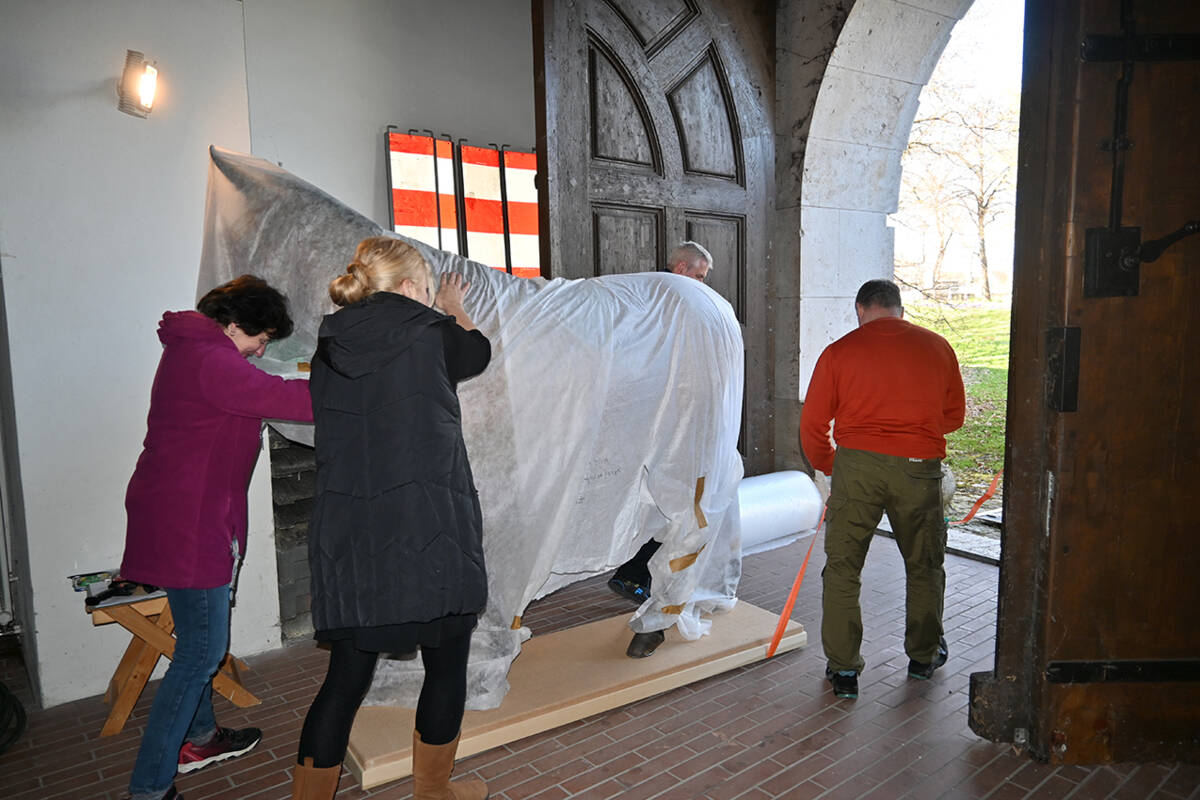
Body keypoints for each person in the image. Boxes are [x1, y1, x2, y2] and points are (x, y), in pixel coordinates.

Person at [291, 237, 490, 800]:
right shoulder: (434, 333)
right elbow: (479, 351)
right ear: (408, 287)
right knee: (446, 667)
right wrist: (452, 304)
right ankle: (432, 792)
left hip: (352, 534)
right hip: (429, 530)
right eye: (424, 285)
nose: (427, 296)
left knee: (344, 681)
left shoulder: (328, 345)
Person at [120, 275, 314, 800]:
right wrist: (362, 389)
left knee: (194, 644)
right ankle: (150, 789)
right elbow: (289, 401)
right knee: (201, 655)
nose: (261, 348)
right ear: (233, 328)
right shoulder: (212, 360)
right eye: (261, 338)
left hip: (178, 514)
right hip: (191, 523)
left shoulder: (198, 350)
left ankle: (201, 738)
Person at [800, 279, 965, 700]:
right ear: (900, 309)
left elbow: (812, 425)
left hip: (857, 466)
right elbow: (954, 417)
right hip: (918, 468)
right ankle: (924, 657)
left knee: (842, 569)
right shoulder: (937, 347)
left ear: (860, 309)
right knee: (924, 565)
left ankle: (843, 671)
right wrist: (913, 429)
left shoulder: (839, 352)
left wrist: (832, 464)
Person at [608, 241, 714, 659]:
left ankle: (636, 575)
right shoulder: (669, 301)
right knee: (679, 511)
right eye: (701, 277)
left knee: (665, 508)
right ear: (684, 269)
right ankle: (642, 584)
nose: (704, 285)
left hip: (659, 426)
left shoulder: (650, 299)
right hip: (667, 429)